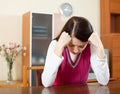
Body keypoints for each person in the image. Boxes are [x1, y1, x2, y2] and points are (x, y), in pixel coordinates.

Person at [41, 16, 110, 87]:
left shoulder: (91, 46)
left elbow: (104, 81)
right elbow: (46, 83)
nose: (76, 50)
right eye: (71, 45)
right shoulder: (55, 44)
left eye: (81, 46)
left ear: (88, 41)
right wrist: (59, 48)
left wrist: (100, 46)